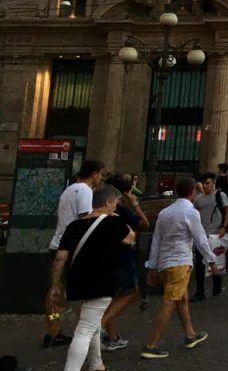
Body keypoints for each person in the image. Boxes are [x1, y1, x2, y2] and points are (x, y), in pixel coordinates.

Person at [50, 183, 134, 371]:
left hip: (77, 280)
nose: (116, 207)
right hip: (102, 281)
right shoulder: (114, 222)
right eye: (116, 203)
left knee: (91, 322)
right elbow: (130, 238)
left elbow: (60, 258)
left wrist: (55, 284)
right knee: (85, 329)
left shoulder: (74, 225)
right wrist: (119, 219)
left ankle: (96, 364)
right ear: (108, 202)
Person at [141, 177, 217, 359]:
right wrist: (211, 260)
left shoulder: (165, 212)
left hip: (165, 263)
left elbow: (157, 240)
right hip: (180, 262)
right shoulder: (190, 213)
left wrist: (152, 266)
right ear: (192, 193)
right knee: (169, 303)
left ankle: (190, 334)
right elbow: (200, 239)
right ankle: (151, 343)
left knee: (181, 299)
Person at [45, 159, 105, 349]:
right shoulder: (85, 191)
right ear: (94, 174)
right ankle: (88, 330)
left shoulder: (69, 189)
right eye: (100, 174)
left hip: (57, 244)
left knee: (55, 291)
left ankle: (53, 330)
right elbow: (85, 218)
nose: (101, 178)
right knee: (89, 291)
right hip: (72, 248)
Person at [100, 174, 150, 351]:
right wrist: (135, 204)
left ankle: (111, 337)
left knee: (111, 299)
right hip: (122, 255)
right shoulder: (123, 210)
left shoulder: (103, 207)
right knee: (131, 293)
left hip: (105, 255)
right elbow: (145, 223)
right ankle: (100, 326)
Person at [192, 172, 228, 301]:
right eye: (203, 183)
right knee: (199, 263)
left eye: (207, 183)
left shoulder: (220, 196)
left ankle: (217, 283)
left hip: (215, 233)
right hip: (202, 234)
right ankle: (200, 291)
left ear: (213, 183)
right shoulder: (198, 199)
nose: (205, 186)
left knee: (214, 260)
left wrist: (224, 227)